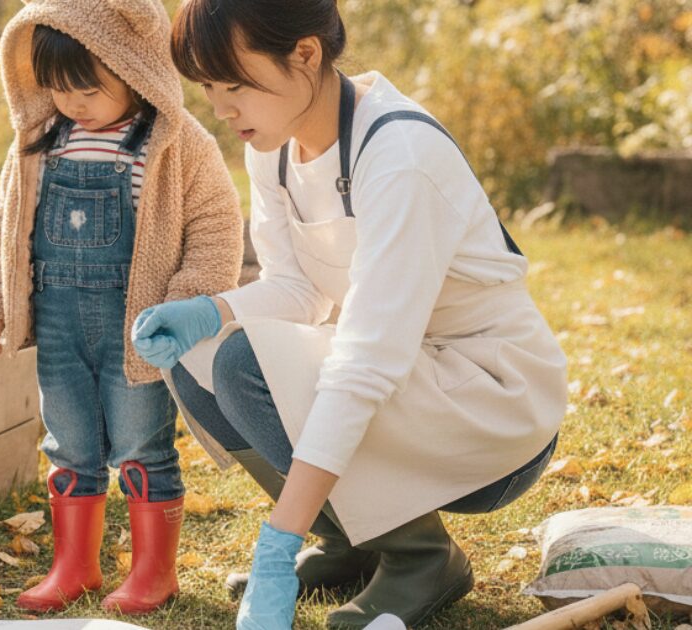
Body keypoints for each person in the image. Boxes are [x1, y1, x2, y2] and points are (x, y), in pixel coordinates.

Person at [130, 0, 567, 627]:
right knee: (200, 352)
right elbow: (297, 288)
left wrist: (278, 539)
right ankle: (352, 544)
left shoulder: (400, 154)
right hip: (412, 380)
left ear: (305, 55)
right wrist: (210, 310)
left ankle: (421, 558)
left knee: (243, 360)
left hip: (491, 407)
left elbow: (366, 360)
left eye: (235, 84)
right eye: (207, 86)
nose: (220, 108)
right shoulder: (273, 146)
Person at [0, 0, 243, 615]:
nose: (75, 103)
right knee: (68, 442)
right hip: (59, 321)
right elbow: (4, 223)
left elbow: (217, 226)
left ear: (135, 69)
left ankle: (153, 571)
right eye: (60, 88)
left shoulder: (172, 143)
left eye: (89, 88)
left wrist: (182, 305)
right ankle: (75, 565)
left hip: (135, 324)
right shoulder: (41, 142)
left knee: (142, 443)